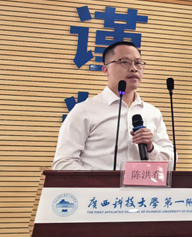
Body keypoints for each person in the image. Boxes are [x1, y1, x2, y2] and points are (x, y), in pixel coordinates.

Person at [53, 41, 175, 170]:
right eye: (125, 62)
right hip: (98, 184)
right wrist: (101, 181)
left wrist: (151, 148)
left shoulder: (152, 113)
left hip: (143, 183)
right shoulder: (84, 110)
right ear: (106, 70)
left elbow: (171, 162)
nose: (133, 68)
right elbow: (63, 163)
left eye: (138, 63)